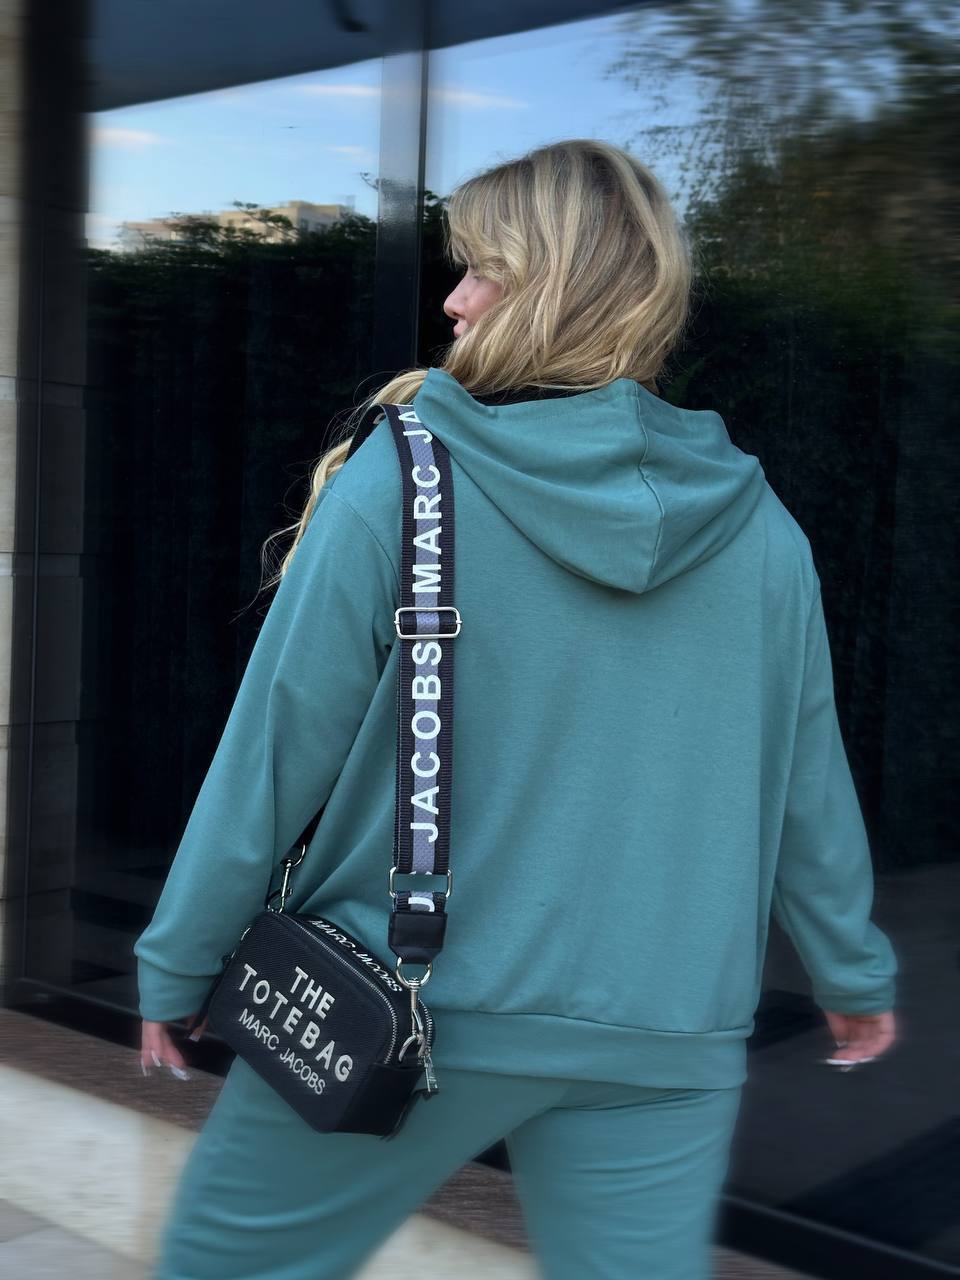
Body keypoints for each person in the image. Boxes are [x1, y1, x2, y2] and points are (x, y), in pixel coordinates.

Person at [134, 138, 898, 1280]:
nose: (454, 298)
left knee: (226, 1266)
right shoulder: (761, 526)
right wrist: (850, 972)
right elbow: (804, 782)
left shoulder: (406, 481)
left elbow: (277, 750)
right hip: (670, 1030)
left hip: (414, 1005)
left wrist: (180, 959)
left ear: (559, 289)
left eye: (484, 269)